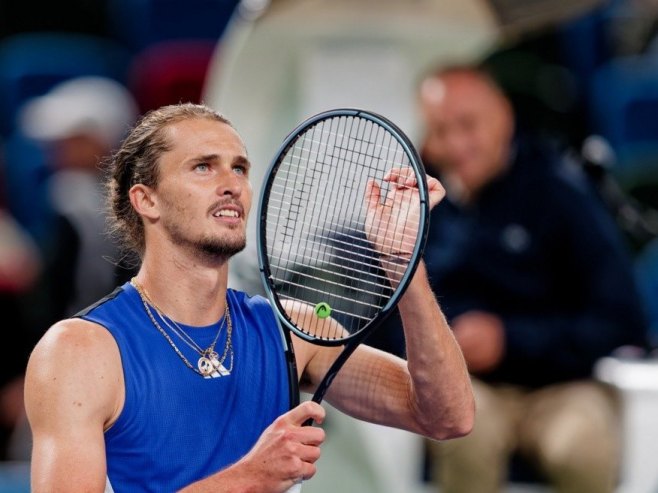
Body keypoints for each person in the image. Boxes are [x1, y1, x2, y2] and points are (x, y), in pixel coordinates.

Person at [24, 103, 474, 492]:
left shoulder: (295, 331)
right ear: (147, 200)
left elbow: (447, 417)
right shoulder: (78, 351)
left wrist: (404, 267)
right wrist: (249, 479)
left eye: (239, 167)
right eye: (203, 166)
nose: (231, 183)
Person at [417, 65, 649, 493]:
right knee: (462, 433)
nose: (455, 145)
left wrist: (509, 339)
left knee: (580, 446)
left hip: (563, 386)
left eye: (468, 125)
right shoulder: (419, 204)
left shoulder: (560, 189)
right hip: (469, 388)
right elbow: (389, 321)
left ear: (503, 116)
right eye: (440, 130)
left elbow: (621, 318)